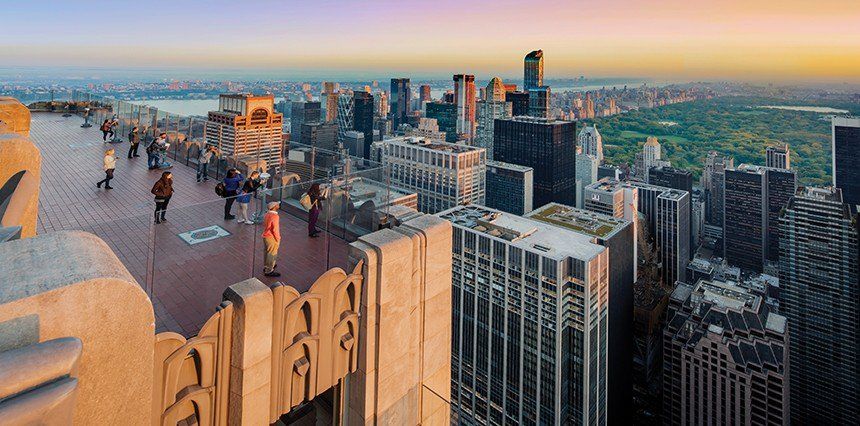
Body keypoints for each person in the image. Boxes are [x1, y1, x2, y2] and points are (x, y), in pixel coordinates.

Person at [261, 201, 281, 277]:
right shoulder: (275, 216)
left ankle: (266, 266)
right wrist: (278, 238)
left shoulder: (267, 214)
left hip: (266, 236)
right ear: (274, 207)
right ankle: (269, 270)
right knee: (272, 254)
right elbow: (275, 229)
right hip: (271, 237)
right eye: (277, 204)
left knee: (266, 252)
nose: (278, 205)